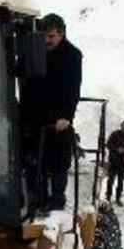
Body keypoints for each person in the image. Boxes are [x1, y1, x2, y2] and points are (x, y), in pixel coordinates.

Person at [20, 13, 83, 213]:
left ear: (61, 34)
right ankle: (34, 199)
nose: (47, 41)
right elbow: (22, 73)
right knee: (31, 159)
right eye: (44, 36)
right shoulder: (34, 51)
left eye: (52, 37)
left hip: (58, 118)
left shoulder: (72, 56)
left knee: (58, 163)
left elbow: (73, 88)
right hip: (33, 113)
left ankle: (56, 203)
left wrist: (67, 116)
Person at [105, 120, 124, 205]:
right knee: (110, 180)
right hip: (113, 160)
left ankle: (118, 198)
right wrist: (117, 149)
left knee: (121, 181)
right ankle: (108, 196)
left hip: (122, 162)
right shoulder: (115, 134)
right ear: (121, 126)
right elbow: (108, 145)